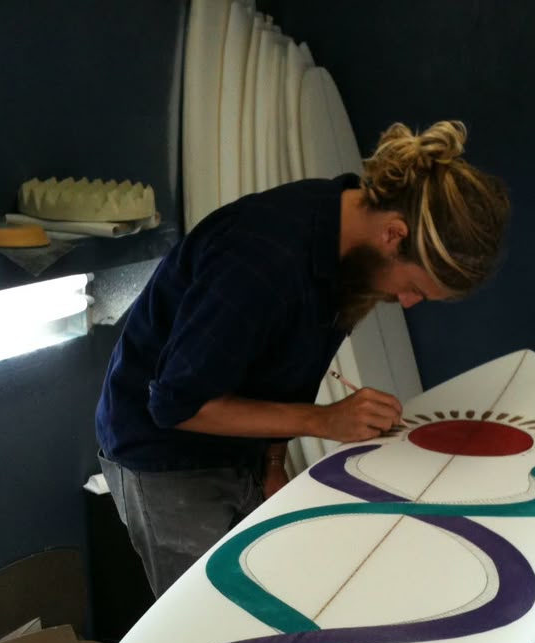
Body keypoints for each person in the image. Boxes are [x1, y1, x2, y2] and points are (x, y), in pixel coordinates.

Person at [95, 120, 510, 599]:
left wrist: (273, 462)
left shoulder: (351, 250)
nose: (410, 302)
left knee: (267, 597)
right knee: (209, 618)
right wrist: (324, 421)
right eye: (415, 287)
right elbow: (176, 405)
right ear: (394, 235)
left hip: (238, 445)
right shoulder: (258, 262)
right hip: (163, 454)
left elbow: (291, 371)